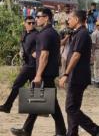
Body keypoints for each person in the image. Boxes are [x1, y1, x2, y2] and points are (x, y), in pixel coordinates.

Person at [11, 8, 66, 136]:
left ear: (46, 18)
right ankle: (28, 129)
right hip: (49, 72)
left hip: (45, 73)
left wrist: (38, 74)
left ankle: (61, 132)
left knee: (46, 102)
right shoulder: (52, 33)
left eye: (38, 16)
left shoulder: (45, 34)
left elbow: (44, 56)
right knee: (42, 101)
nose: (36, 19)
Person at [58, 10, 99, 136]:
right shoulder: (77, 33)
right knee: (73, 107)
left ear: (77, 19)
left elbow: (76, 55)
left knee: (70, 108)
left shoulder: (82, 34)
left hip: (77, 76)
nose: (68, 21)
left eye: (70, 18)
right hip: (76, 76)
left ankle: (96, 130)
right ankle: (72, 133)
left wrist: (66, 74)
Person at [0, 16, 37, 113]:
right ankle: (36, 109)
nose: (31, 25)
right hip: (27, 63)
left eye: (33, 23)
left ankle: (7, 106)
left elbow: (42, 48)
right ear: (24, 23)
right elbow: (23, 46)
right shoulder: (24, 33)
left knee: (17, 84)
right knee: (33, 87)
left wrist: (36, 54)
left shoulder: (37, 35)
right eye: (29, 23)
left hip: (32, 65)